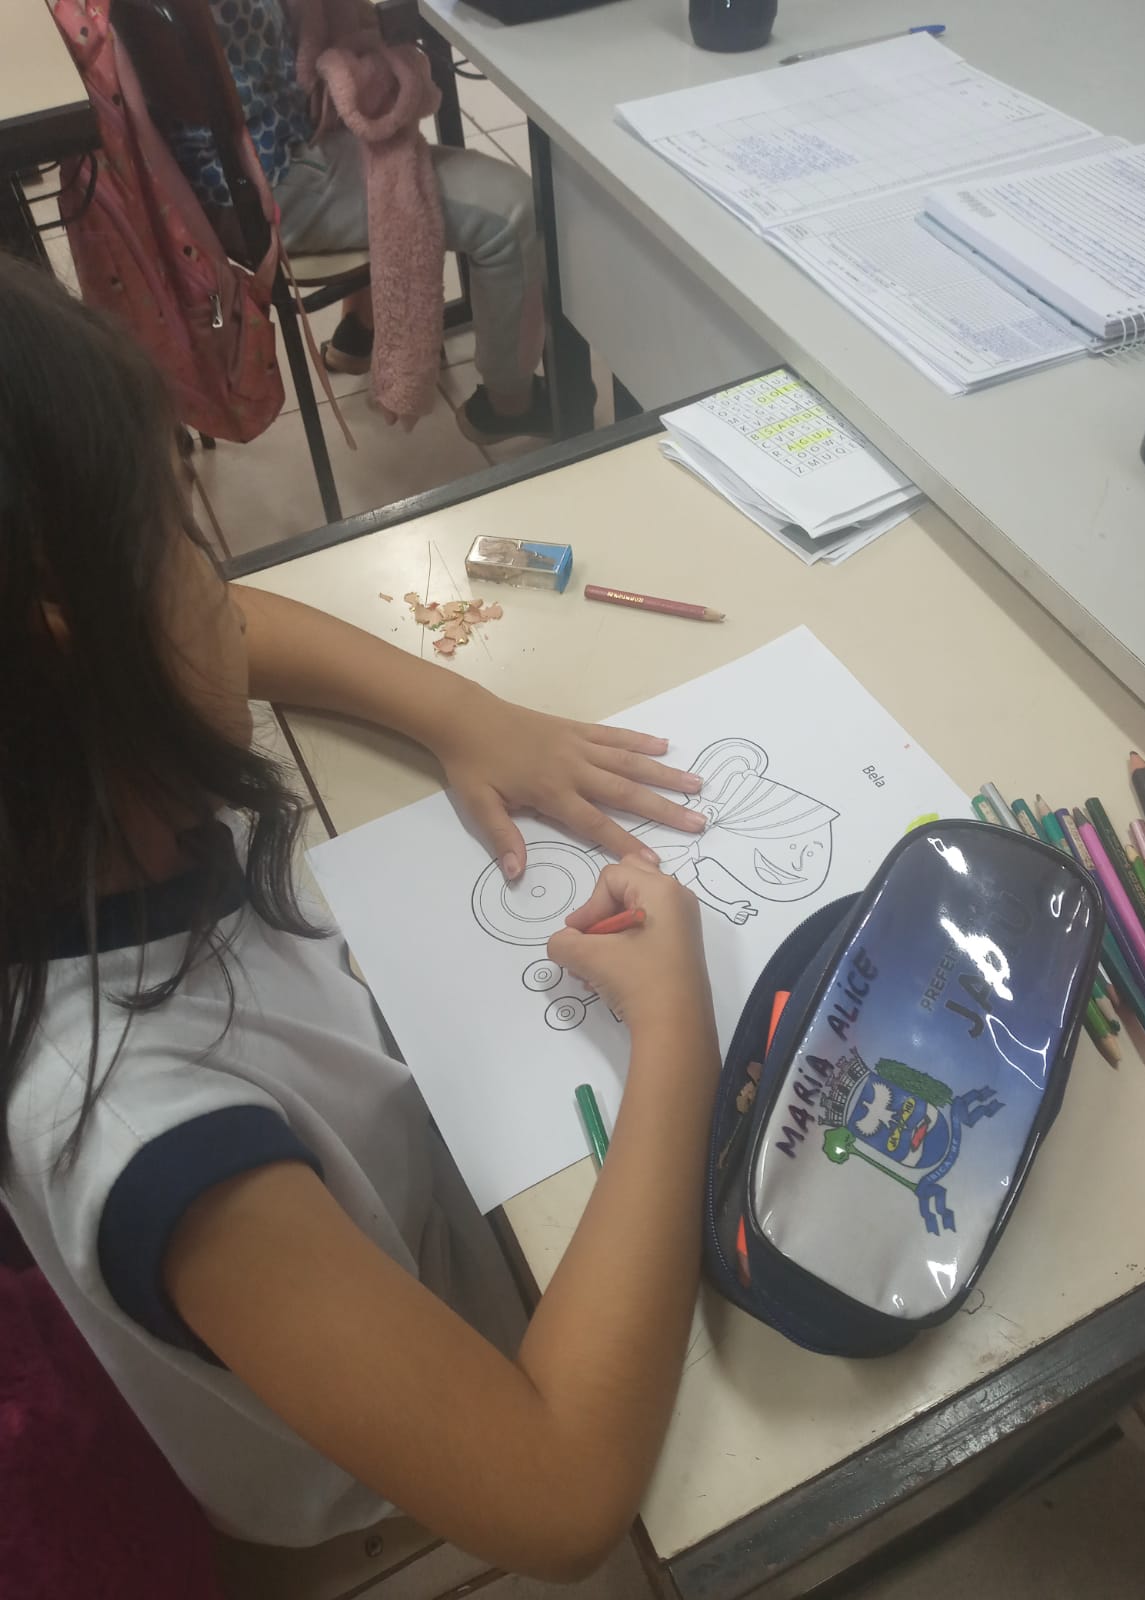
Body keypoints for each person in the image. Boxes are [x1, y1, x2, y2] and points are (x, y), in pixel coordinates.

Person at [0, 255, 720, 1577]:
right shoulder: (162, 1145)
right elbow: (559, 1494)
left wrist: (463, 710)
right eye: (183, 540)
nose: (221, 581)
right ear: (75, 643)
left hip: (376, 1171)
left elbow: (240, 630)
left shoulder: (69, 797)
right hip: (389, 1425)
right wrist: (678, 1035)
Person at [167, 0, 549, 444]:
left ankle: (359, 330)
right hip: (265, 184)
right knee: (513, 213)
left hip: (228, 172)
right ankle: (510, 403)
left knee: (366, 91)